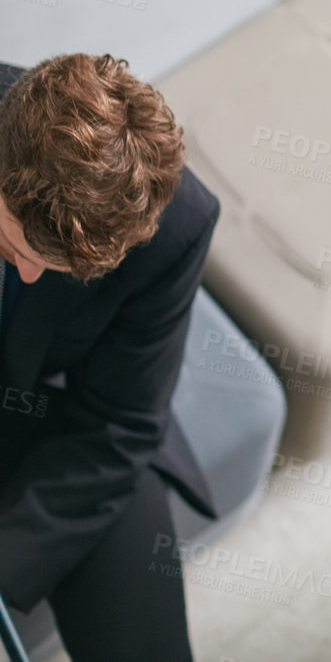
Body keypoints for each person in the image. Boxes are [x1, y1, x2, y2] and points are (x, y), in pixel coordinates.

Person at [0, 54, 221, 662]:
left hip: (49, 423)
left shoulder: (179, 226)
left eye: (57, 268)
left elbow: (120, 420)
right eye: (13, 245)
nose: (27, 272)